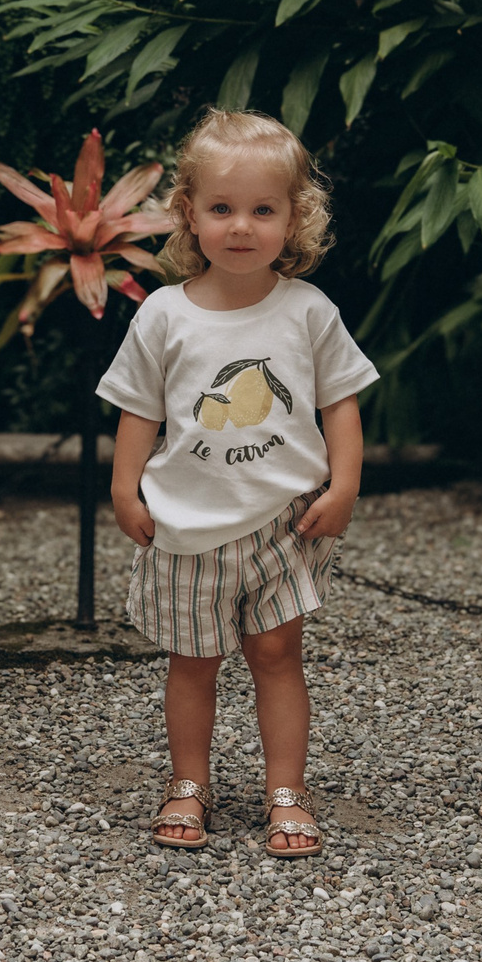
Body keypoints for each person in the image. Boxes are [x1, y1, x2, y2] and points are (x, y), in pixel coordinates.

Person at [99, 108, 378, 858]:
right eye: (222, 208)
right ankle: (188, 781)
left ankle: (286, 790)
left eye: (263, 209)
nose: (242, 227)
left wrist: (343, 483)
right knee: (193, 661)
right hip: (189, 524)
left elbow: (339, 401)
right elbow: (138, 408)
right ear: (190, 213)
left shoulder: (309, 312)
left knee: (278, 654)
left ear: (295, 217)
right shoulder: (164, 315)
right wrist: (126, 488)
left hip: (284, 523)